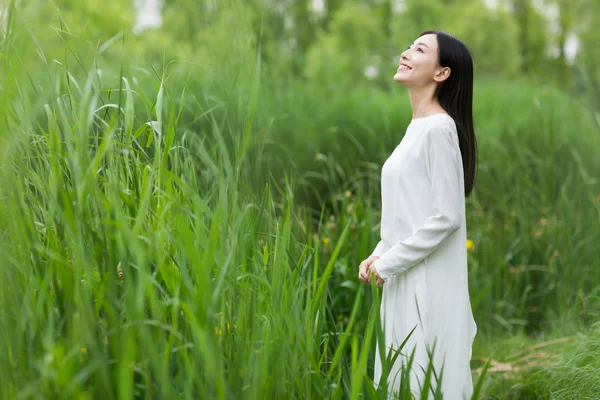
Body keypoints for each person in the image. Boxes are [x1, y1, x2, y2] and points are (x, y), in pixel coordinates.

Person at [358, 30, 478, 399]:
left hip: (422, 280)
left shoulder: (439, 129)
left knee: (424, 378)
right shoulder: (417, 129)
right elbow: (408, 213)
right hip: (404, 273)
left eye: (420, 49)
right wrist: (380, 251)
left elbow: (446, 216)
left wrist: (389, 262)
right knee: (404, 378)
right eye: (410, 45)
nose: (406, 52)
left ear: (442, 73)